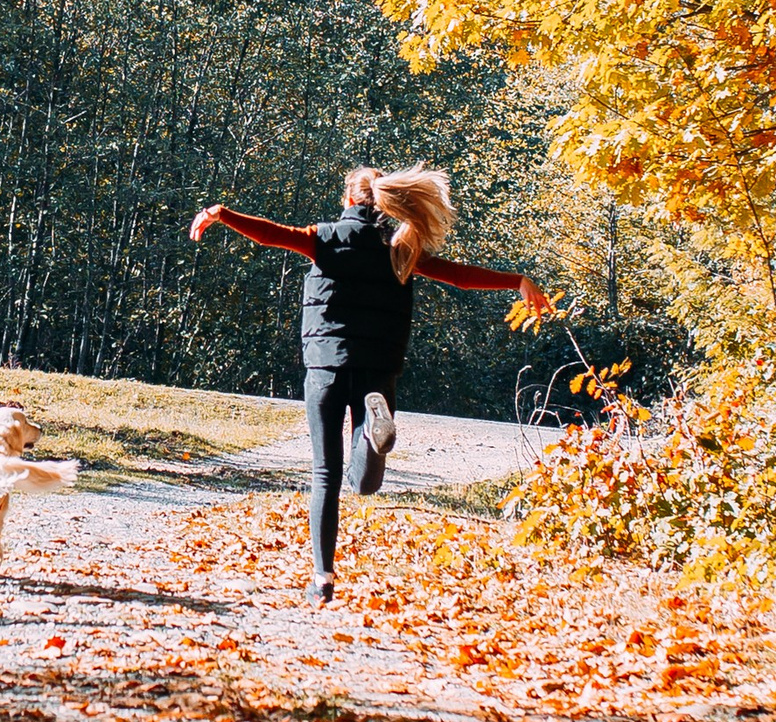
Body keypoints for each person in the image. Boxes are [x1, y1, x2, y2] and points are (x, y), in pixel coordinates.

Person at [192, 167, 549, 606]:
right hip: (378, 366)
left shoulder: (323, 237)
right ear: (385, 204)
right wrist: (515, 280)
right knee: (364, 482)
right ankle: (372, 434)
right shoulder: (401, 249)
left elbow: (270, 235)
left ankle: (322, 577)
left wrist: (221, 213)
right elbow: (459, 276)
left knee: (326, 472)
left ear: (347, 199)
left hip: (326, 365)